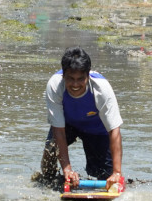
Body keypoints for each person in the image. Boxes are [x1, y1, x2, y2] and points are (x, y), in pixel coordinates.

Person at [41, 48, 123, 190]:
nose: (75, 85)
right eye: (70, 79)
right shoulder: (54, 86)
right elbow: (59, 131)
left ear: (88, 75)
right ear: (63, 76)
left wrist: (117, 172)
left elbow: (114, 131)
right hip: (67, 124)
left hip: (96, 128)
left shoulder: (102, 89)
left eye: (80, 79)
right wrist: (67, 169)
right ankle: (47, 183)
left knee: (103, 174)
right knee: (50, 150)